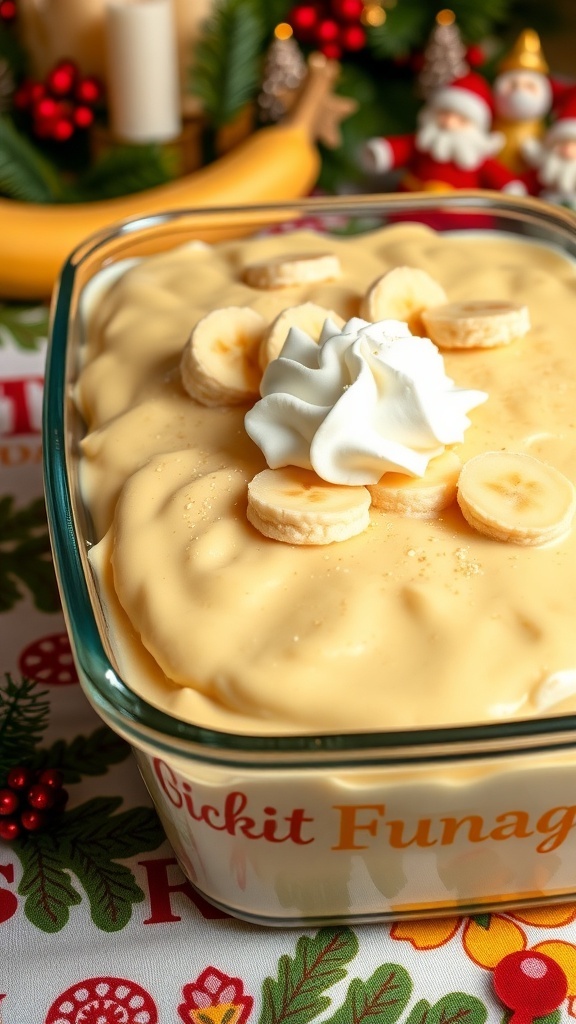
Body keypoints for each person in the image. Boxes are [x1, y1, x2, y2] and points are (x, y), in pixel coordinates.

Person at [361, 70, 524, 193]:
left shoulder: (476, 156)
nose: (449, 124)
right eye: (444, 114)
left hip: (460, 217)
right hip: (413, 207)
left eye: (460, 120)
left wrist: (511, 188)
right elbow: (400, 148)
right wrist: (380, 152)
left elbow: (497, 175)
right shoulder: (423, 143)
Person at [521, 91, 576, 207]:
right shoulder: (546, 165)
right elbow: (527, 183)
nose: (567, 149)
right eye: (563, 144)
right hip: (545, 207)